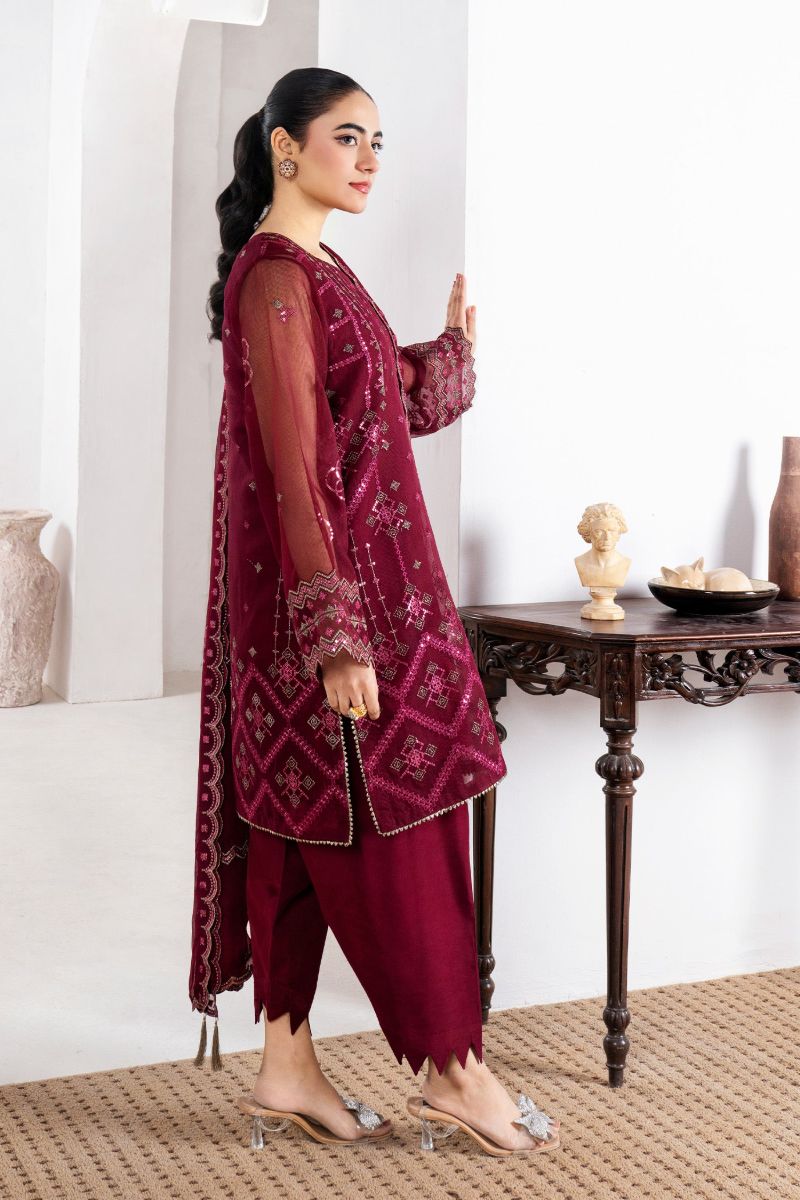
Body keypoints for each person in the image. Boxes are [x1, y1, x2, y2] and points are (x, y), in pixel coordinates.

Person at [189, 66, 561, 1157]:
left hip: (363, 605)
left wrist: (445, 359)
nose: (368, 160)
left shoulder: (314, 269)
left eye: (378, 142)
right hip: (341, 616)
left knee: (301, 832)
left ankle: (286, 1065)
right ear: (285, 147)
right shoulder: (275, 279)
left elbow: (367, 406)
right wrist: (334, 638)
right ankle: (454, 1072)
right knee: (400, 834)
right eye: (347, 137)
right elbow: (296, 466)